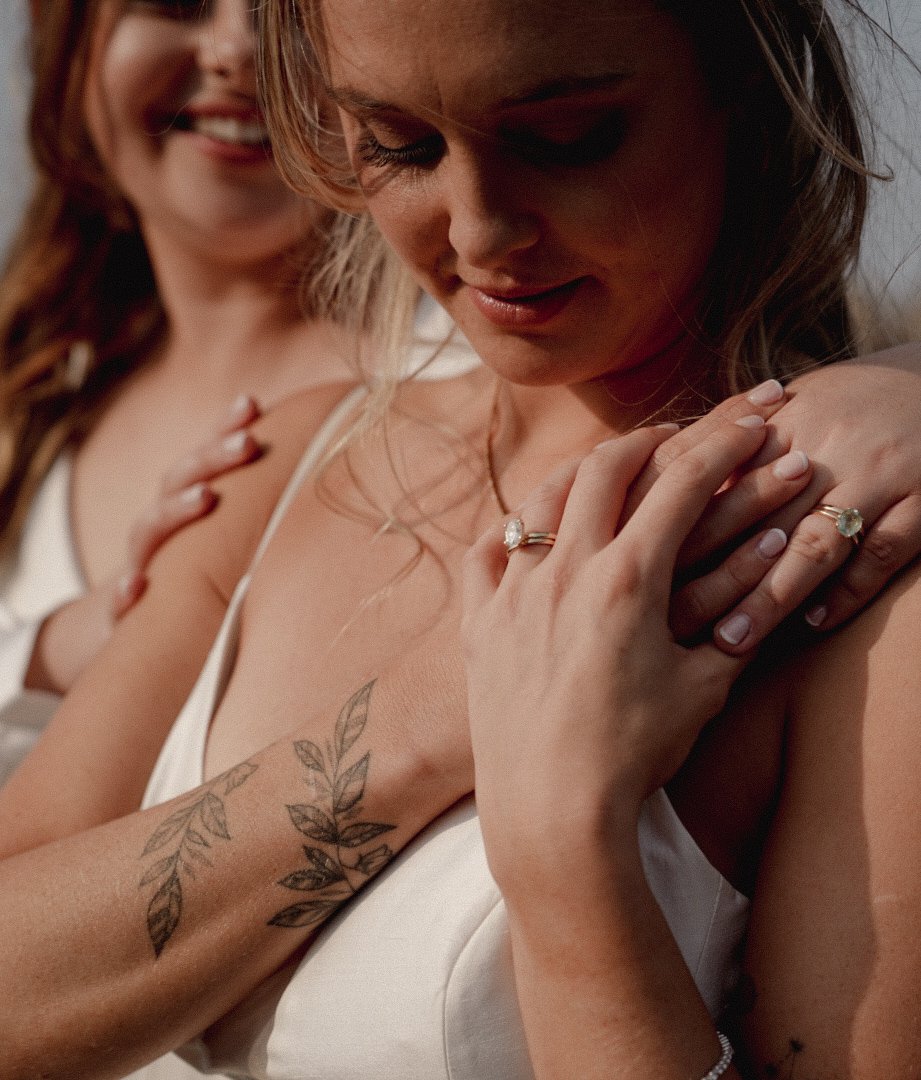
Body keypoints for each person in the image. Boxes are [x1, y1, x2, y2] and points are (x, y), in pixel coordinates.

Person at [3, 0, 921, 1077]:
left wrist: (566, 844)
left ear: (744, 92)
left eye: (566, 139)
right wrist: (426, 719)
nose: (481, 231)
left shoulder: (854, 596)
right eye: (399, 143)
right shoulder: (275, 471)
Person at [0, 0, 362, 789]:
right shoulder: (29, 389)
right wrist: (46, 651)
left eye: (293, 11)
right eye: (176, 2)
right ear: (65, 36)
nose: (237, 50)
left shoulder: (470, 392)